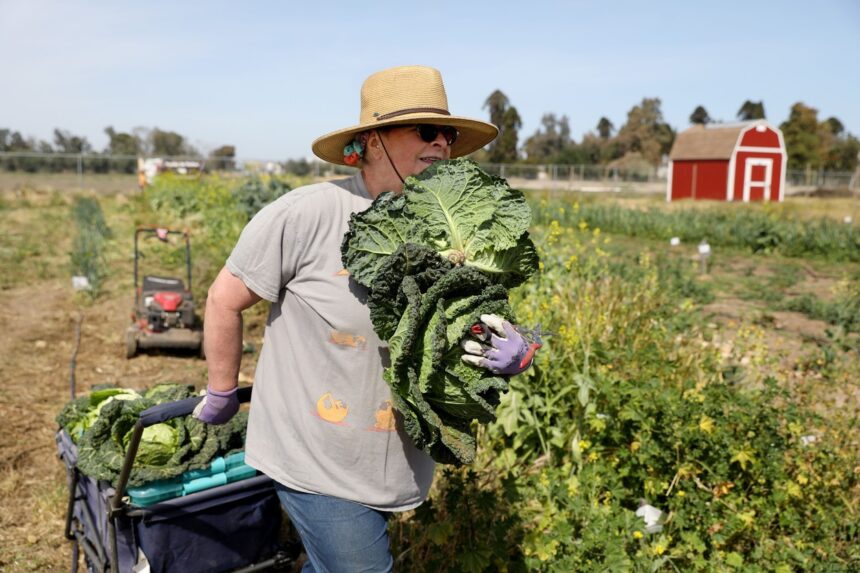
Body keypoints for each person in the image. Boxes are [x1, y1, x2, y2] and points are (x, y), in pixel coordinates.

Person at [193, 65, 538, 572]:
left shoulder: (449, 228)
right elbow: (224, 298)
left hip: (393, 462)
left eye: (447, 133)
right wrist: (222, 389)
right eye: (425, 131)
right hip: (313, 456)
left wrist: (516, 350)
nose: (441, 143)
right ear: (373, 140)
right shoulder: (309, 214)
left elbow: (469, 319)